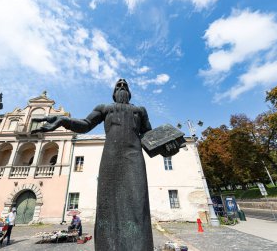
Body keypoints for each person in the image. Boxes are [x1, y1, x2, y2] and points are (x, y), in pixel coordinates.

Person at [32, 79, 179, 251]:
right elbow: (85, 125)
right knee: (106, 205)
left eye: (125, 85)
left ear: (129, 92)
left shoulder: (140, 110)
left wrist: (168, 148)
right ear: (114, 92)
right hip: (110, 158)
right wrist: (64, 121)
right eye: (118, 85)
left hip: (134, 157)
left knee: (138, 203)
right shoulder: (104, 108)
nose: (122, 86)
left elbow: (149, 137)